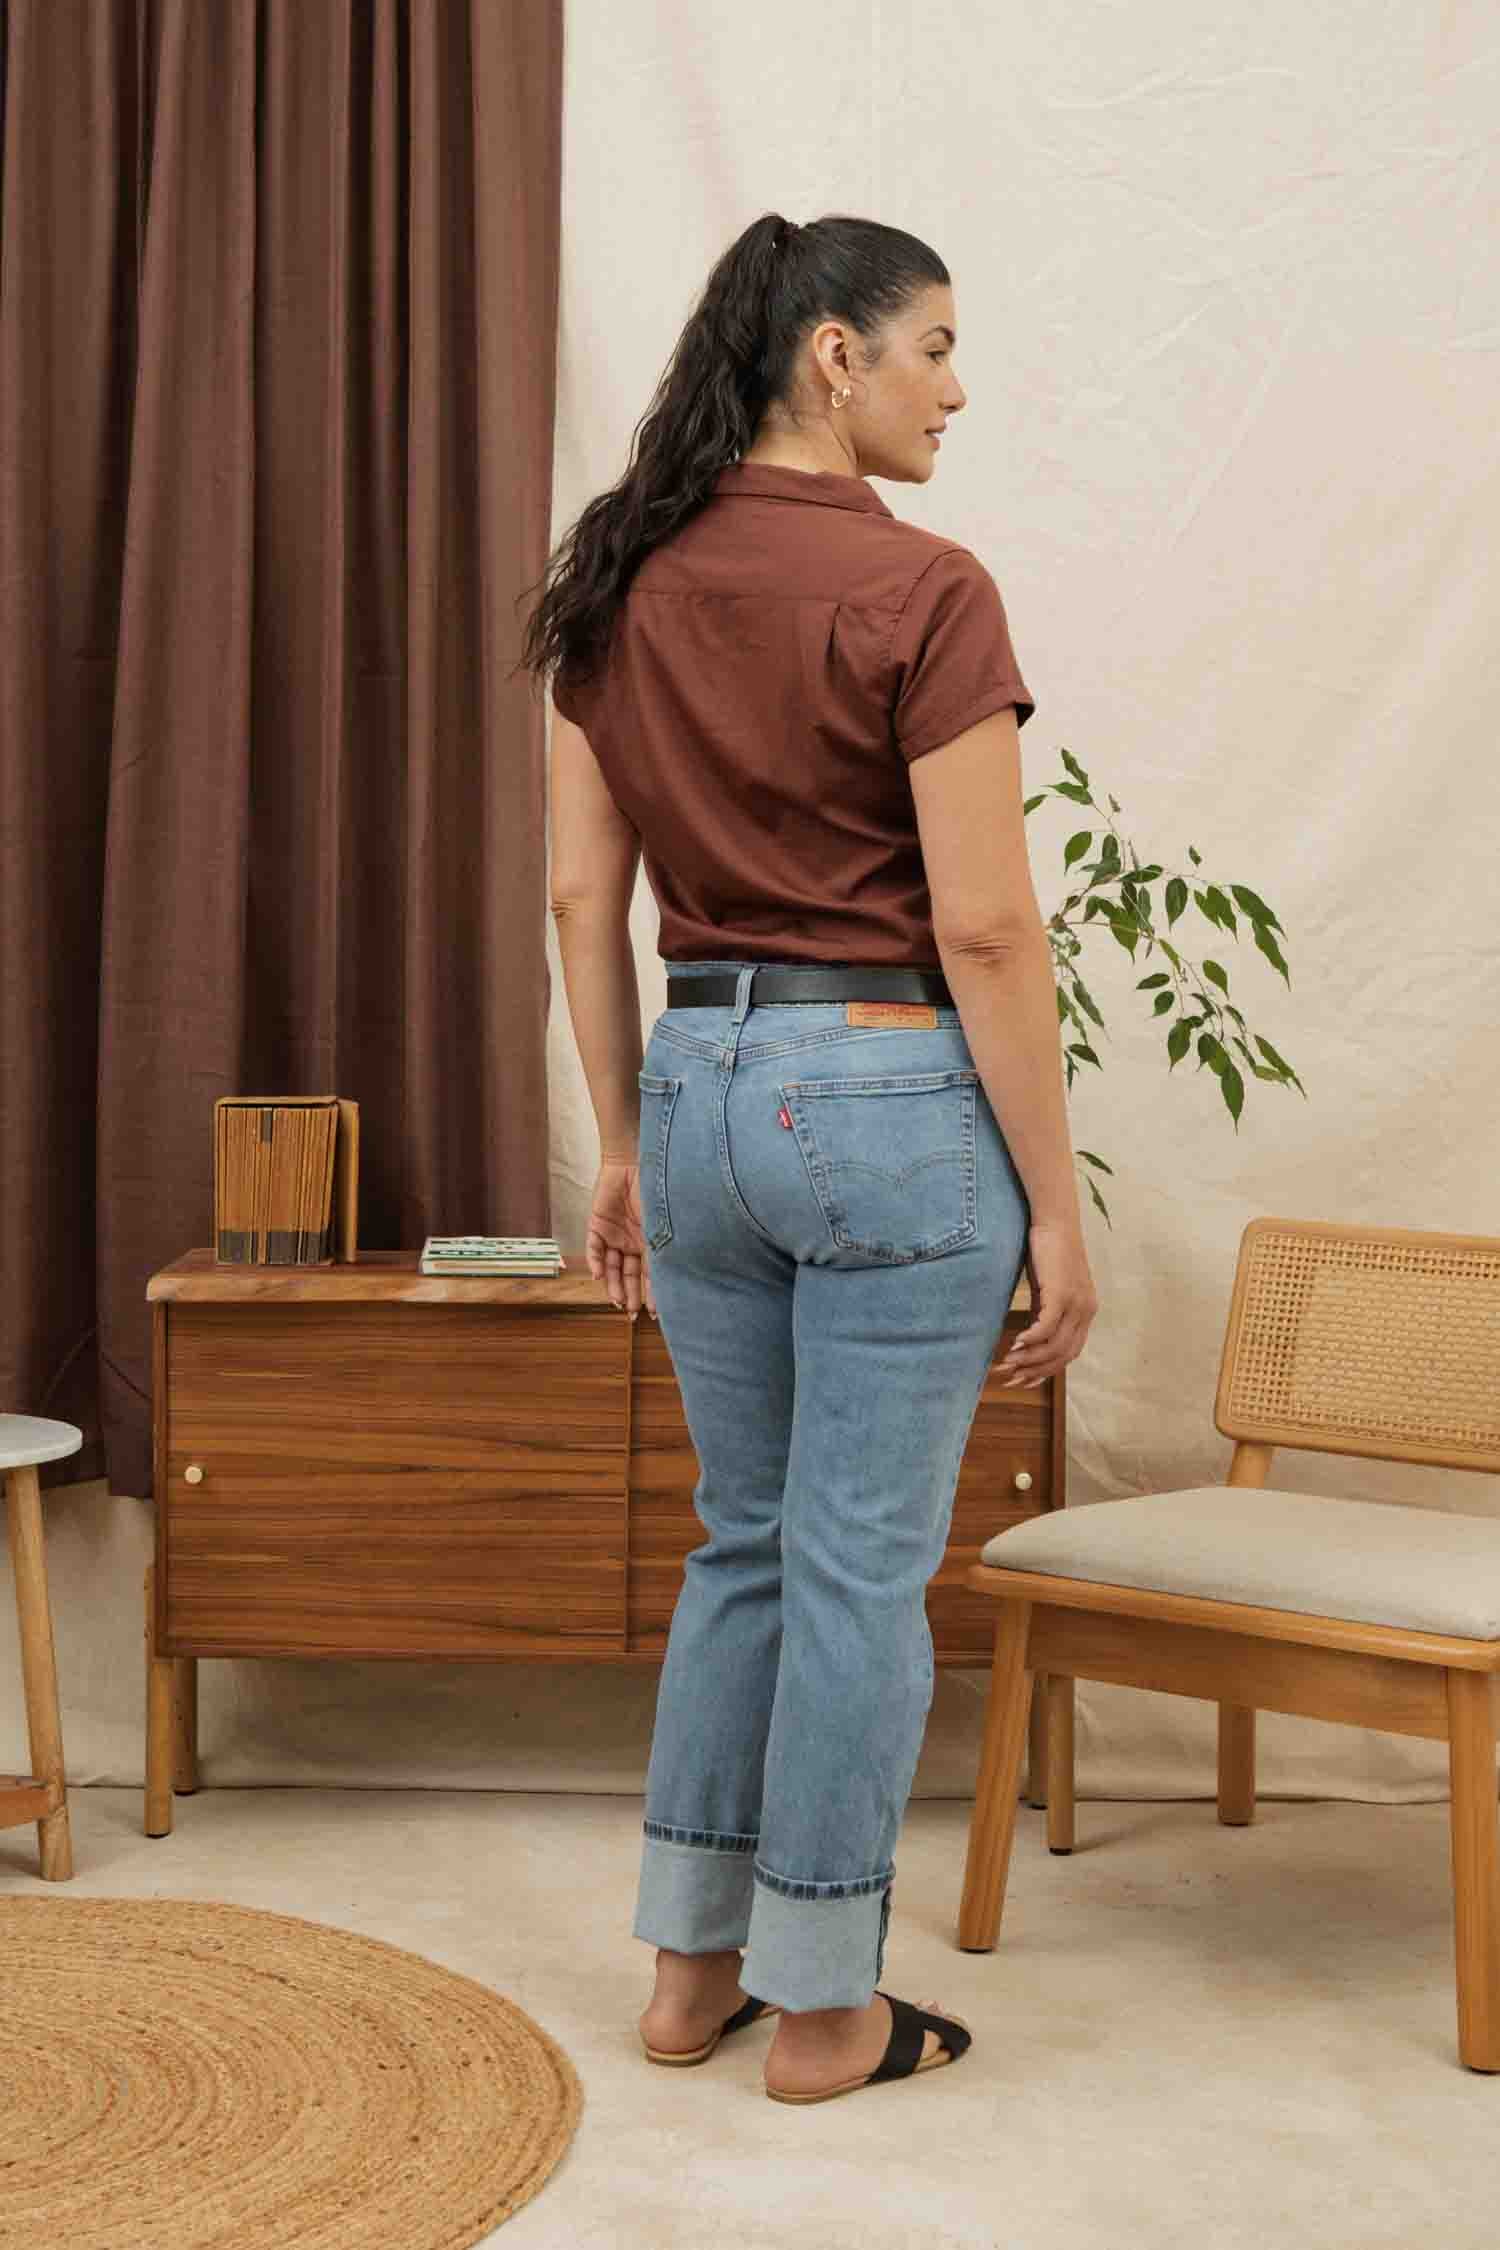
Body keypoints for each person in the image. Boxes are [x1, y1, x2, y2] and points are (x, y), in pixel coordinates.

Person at [524, 211, 1099, 2103]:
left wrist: (622, 1141)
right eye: (933, 342)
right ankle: (833, 2008)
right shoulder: (928, 591)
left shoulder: (615, 582)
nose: (958, 383)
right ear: (831, 358)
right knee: (856, 1566)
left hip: (695, 1091)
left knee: (741, 1546)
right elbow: (992, 935)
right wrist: (1059, 1209)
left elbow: (573, 899)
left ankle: (692, 1977)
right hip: (881, 1099)